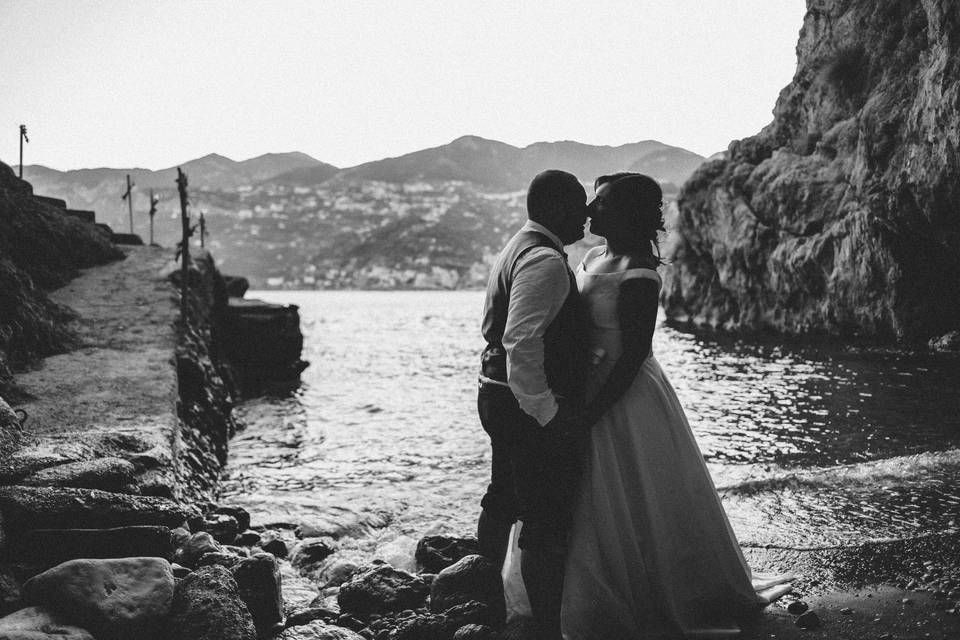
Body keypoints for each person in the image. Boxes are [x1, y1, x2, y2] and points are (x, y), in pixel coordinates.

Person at [558, 173, 792, 639]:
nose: (589, 208)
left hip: (625, 397)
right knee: (592, 497)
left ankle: (653, 591)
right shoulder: (590, 257)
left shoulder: (641, 272)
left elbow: (633, 355)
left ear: (624, 211)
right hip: (587, 385)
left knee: (639, 494)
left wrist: (592, 412)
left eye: (600, 203)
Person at [477, 169, 590, 640]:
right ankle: (546, 627)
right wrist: (549, 412)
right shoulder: (544, 260)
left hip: (497, 395)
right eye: (579, 204)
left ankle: (481, 604)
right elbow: (520, 341)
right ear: (555, 207)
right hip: (521, 405)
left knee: (502, 497)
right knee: (544, 521)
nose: (586, 215)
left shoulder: (516, 246)